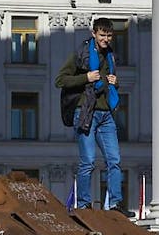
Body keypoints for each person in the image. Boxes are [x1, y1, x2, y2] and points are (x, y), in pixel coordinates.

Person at [54, 17, 133, 217]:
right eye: (102, 35)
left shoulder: (110, 55)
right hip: (85, 112)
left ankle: (115, 204)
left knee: (114, 160)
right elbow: (60, 80)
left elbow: (107, 82)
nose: (106, 39)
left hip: (106, 114)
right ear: (94, 34)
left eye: (109, 35)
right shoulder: (81, 53)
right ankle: (84, 204)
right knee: (88, 161)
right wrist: (86, 78)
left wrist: (115, 83)